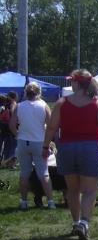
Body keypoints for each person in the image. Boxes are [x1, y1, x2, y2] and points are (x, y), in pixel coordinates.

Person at [42, 69, 98, 240]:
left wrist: (45, 146)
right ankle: (84, 223)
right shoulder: (97, 104)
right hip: (90, 148)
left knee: (73, 190)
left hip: (67, 148)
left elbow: (52, 128)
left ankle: (76, 222)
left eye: (72, 81)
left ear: (77, 83)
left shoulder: (62, 103)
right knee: (90, 190)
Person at [9, 82, 55, 210]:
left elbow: (12, 125)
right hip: (39, 142)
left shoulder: (19, 106)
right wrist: (48, 141)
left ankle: (23, 201)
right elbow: (51, 126)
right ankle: (50, 201)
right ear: (39, 92)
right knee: (44, 174)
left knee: (24, 174)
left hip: (23, 141)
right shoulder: (44, 106)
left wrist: (18, 135)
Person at [0, 91, 18, 169]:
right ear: (15, 97)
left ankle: (5, 162)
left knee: (7, 146)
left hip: (4, 128)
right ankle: (10, 164)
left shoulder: (5, 105)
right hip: (11, 128)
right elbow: (13, 112)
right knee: (12, 146)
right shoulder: (13, 104)